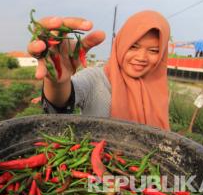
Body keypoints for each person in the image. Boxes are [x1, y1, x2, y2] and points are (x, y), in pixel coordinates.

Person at [27, 10, 170, 130]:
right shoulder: (96, 78)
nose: (141, 57)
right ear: (120, 44)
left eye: (153, 50)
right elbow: (60, 103)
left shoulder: (158, 88)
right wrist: (57, 82)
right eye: (133, 47)